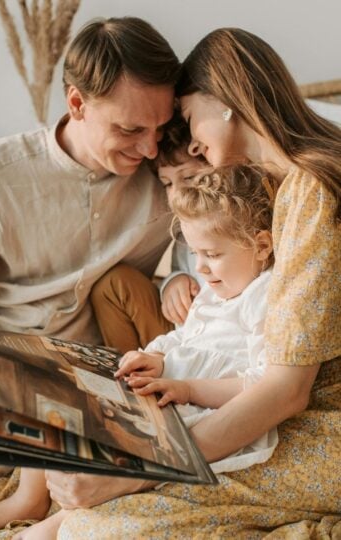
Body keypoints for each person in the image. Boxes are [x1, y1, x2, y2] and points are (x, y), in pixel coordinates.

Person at [50, 28, 340, 539]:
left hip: (320, 429)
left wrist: (136, 471)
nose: (189, 144)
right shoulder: (282, 188)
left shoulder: (309, 191)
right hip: (285, 411)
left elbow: (285, 391)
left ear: (225, 101)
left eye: (185, 119)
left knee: (95, 528)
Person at [0, 15, 180, 534]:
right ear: (76, 103)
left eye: (160, 129)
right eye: (130, 130)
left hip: (108, 376)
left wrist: (179, 279)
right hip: (3, 371)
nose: (150, 149)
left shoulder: (173, 171)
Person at [116, 164, 278, 474]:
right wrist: (156, 355)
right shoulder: (215, 287)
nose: (200, 268)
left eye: (213, 255)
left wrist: (188, 389)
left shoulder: (263, 296)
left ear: (261, 246)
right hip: (176, 391)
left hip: (212, 415)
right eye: (195, 254)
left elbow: (262, 384)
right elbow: (185, 336)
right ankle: (30, 497)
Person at [90, 111, 206, 353]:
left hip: (214, 349)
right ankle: (124, 376)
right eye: (168, 183)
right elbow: (180, 271)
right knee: (113, 284)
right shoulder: (185, 231)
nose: (178, 193)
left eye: (190, 177)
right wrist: (174, 282)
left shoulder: (244, 228)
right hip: (179, 335)